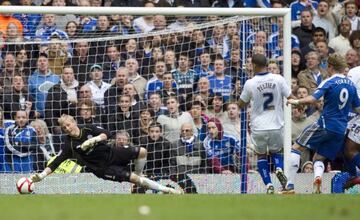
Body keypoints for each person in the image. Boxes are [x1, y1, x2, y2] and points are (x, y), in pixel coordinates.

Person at [30, 114, 183, 194]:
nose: (67, 128)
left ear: (74, 122)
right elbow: (57, 162)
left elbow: (108, 133)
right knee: (135, 180)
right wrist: (42, 175)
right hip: (102, 168)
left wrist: (94, 140)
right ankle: (169, 191)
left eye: (68, 125)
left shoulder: (88, 129)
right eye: (64, 128)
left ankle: (139, 174)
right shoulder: (69, 144)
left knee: (142, 152)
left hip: (112, 153)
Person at [284, 53, 360, 194]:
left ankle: (289, 186)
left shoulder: (330, 81)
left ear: (330, 66)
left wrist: (296, 101)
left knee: (296, 147)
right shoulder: (351, 85)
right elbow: (357, 108)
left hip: (325, 124)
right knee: (319, 157)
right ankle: (317, 179)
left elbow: (313, 99)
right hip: (341, 130)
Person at [238, 54, 292, 194]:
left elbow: (241, 104)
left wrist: (242, 97)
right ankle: (279, 168)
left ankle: (269, 185)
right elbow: (290, 97)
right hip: (276, 124)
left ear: (254, 65)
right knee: (276, 152)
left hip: (258, 126)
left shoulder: (250, 83)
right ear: (266, 64)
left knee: (261, 155)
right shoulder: (278, 79)